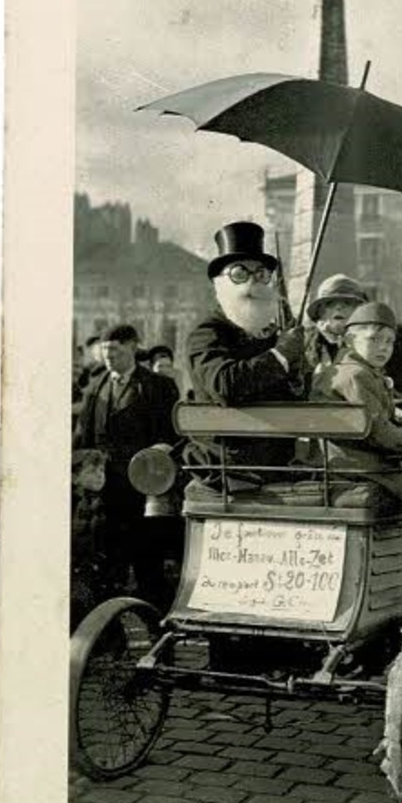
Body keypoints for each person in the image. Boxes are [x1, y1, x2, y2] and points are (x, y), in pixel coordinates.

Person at [73, 323, 179, 611]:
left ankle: (156, 619)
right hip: (106, 493)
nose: (109, 358)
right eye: (105, 352)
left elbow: (172, 435)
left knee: (148, 560)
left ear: (133, 347)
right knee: (108, 560)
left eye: (115, 351)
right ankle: (109, 627)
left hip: (144, 490)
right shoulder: (96, 387)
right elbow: (83, 436)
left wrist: (161, 450)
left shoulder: (158, 387)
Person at [186, 221, 306, 471]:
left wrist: (298, 375)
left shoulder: (277, 336)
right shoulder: (207, 333)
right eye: (239, 274)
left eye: (260, 274)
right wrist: (281, 356)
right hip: (228, 467)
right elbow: (225, 386)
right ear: (220, 283)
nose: (252, 283)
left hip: (282, 464)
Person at [311, 301, 402, 505]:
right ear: (349, 340)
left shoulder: (358, 371)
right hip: (357, 467)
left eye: (389, 342)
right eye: (374, 339)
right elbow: (375, 426)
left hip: (350, 461)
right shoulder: (355, 375)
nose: (383, 347)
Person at [304, 273, 369, 387]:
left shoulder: (374, 341)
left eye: (347, 303)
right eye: (330, 303)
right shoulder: (304, 343)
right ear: (321, 312)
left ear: (359, 311)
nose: (338, 307)